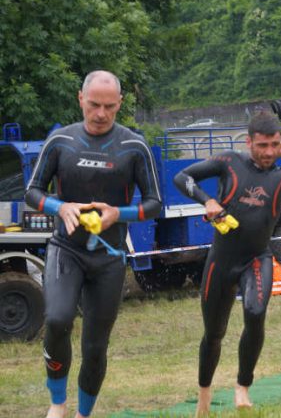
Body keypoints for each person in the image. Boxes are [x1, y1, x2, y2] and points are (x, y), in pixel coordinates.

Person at [173, 112, 281, 412]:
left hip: (257, 257)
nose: (268, 152)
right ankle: (204, 394)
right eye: (262, 145)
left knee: (255, 311)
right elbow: (181, 177)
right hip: (221, 260)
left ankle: (243, 386)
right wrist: (207, 200)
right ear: (249, 142)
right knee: (214, 333)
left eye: (274, 145)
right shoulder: (229, 162)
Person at [25, 70, 163, 418]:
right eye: (93, 105)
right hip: (65, 249)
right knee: (57, 320)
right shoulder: (60, 141)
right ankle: (57, 403)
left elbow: (155, 203)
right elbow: (32, 192)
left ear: (119, 104)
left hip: (108, 258)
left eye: (109, 107)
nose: (100, 114)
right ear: (80, 100)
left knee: (95, 345)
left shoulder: (134, 145)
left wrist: (119, 213)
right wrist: (61, 206)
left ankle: (83, 414)